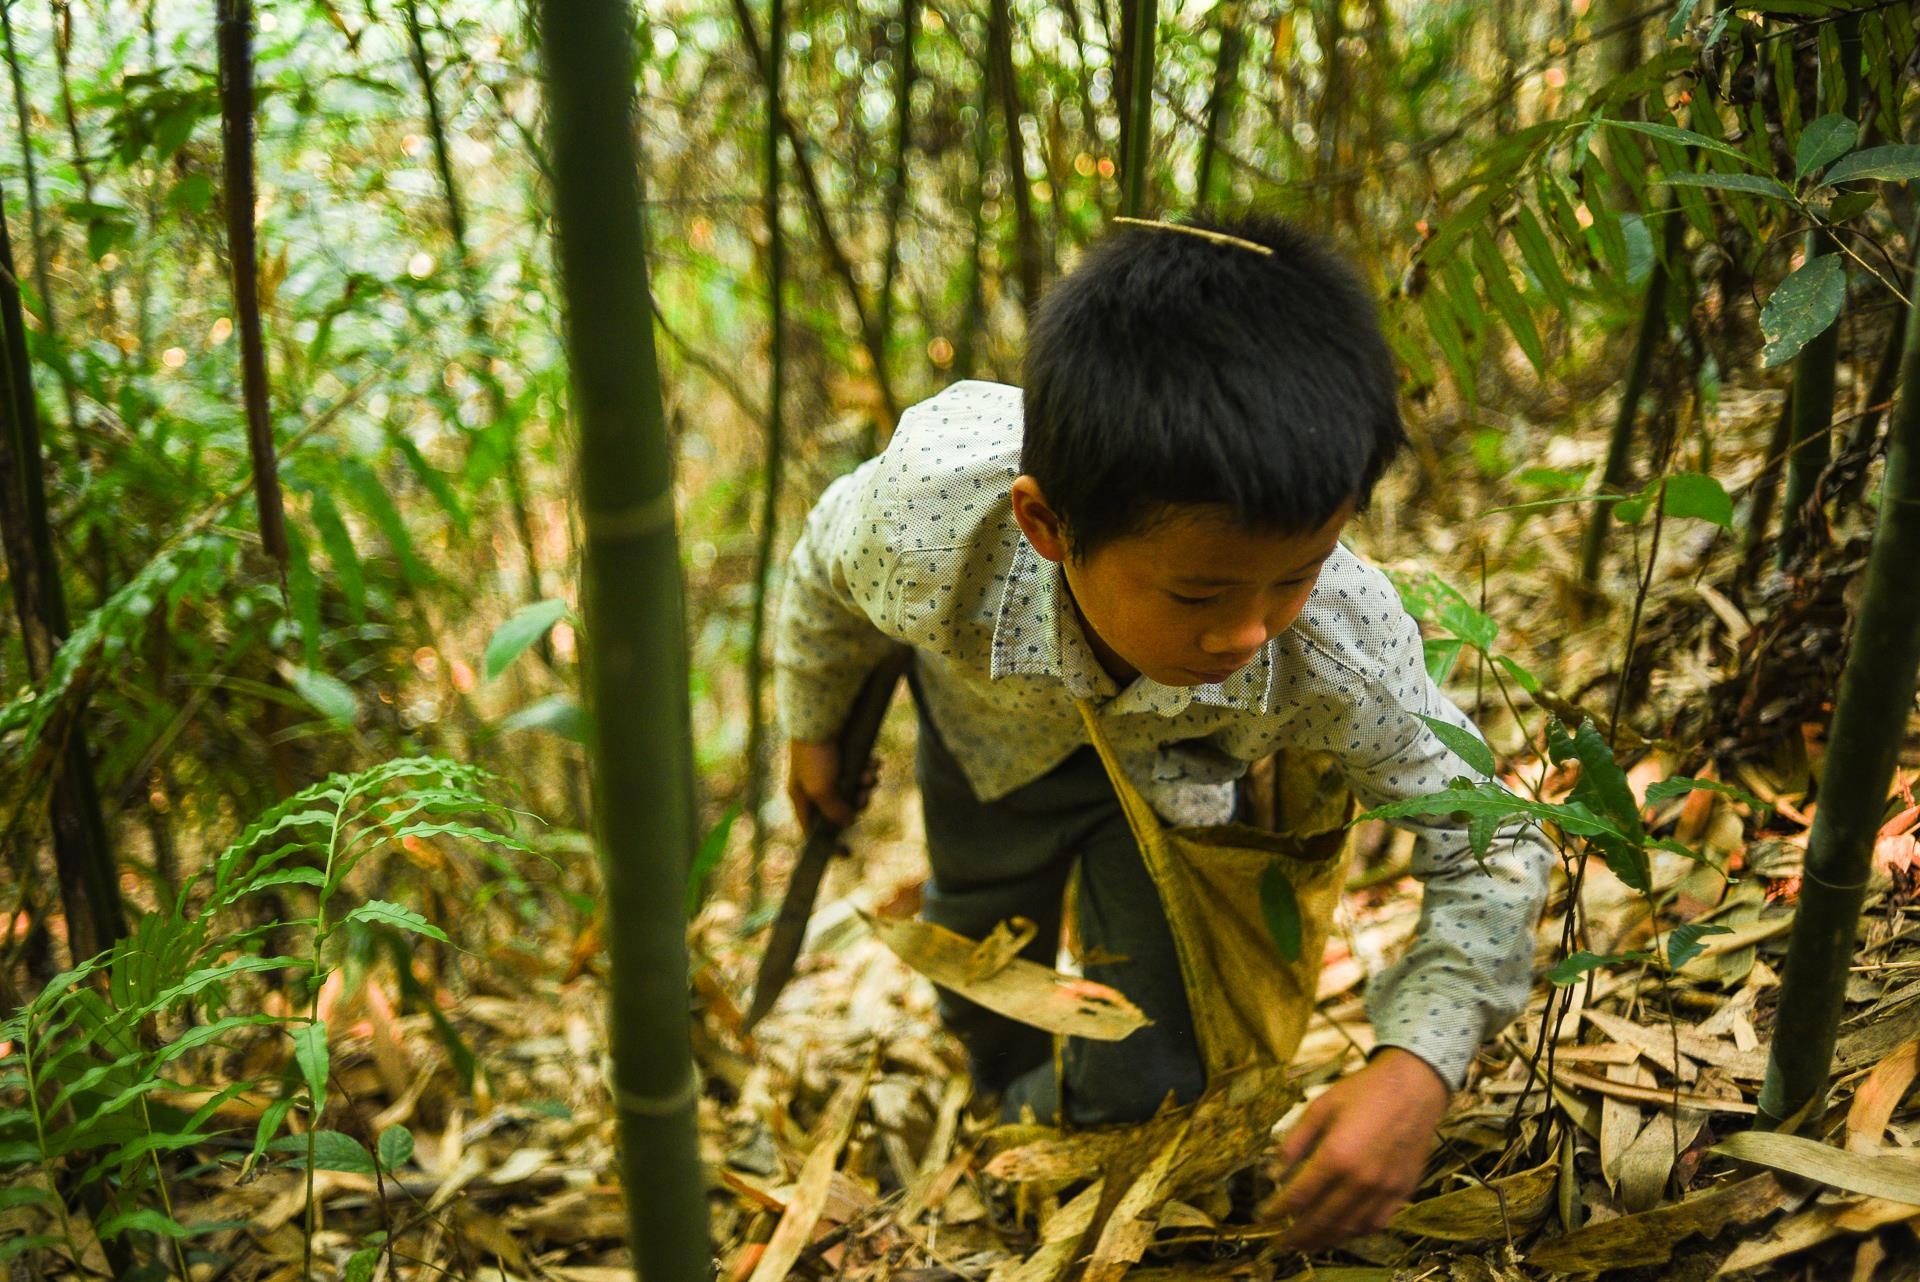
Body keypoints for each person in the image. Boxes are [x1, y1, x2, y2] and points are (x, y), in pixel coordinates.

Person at [772, 212, 1552, 1249]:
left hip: (1177, 786)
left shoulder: (1331, 641)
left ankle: (1086, 1138)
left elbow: (1492, 832)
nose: (1245, 631)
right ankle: (1007, 1098)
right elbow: (823, 575)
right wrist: (814, 726)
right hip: (987, 746)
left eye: (1295, 572)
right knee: (979, 964)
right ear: (1045, 525)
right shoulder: (928, 519)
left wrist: (1419, 1063)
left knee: (1152, 1082)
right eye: (1198, 590)